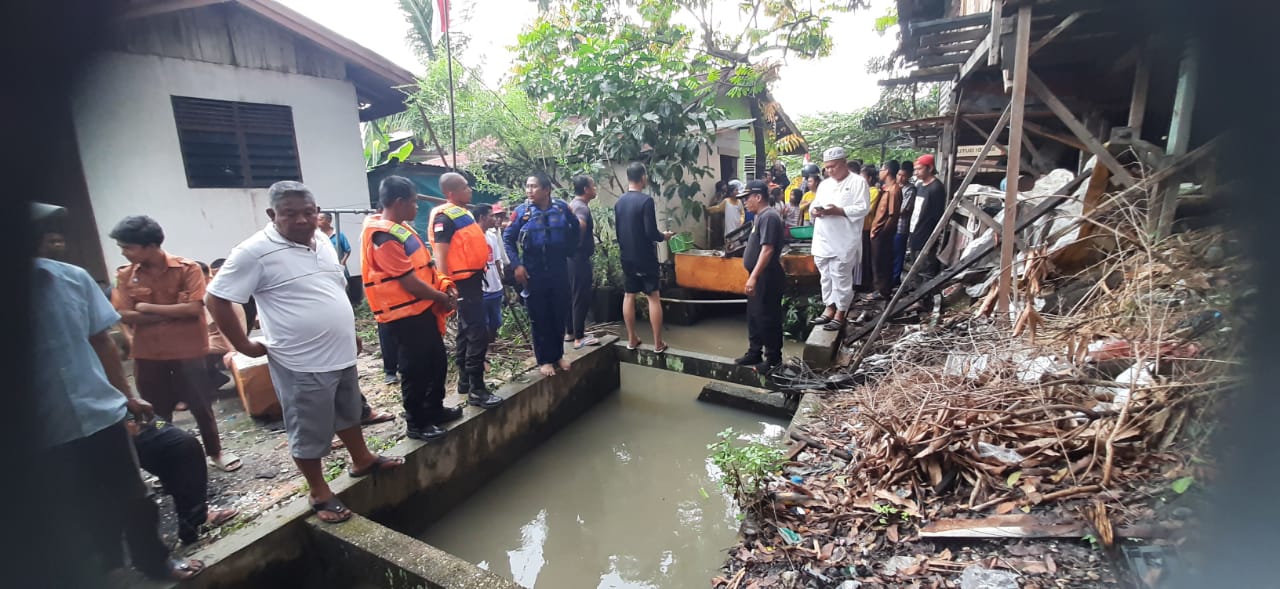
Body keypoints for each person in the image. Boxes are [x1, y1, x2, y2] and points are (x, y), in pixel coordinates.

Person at [207, 181, 405, 524]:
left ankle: (362, 460)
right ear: (272, 214)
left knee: (348, 411)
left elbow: (333, 288)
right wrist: (242, 345)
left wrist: (349, 332)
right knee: (309, 428)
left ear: (317, 212)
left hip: (340, 351)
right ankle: (318, 491)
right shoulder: (254, 251)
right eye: (290, 214)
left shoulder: (323, 241)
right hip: (300, 360)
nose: (301, 220)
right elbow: (216, 298)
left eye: (308, 212)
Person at [31, 202, 206, 583]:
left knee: (133, 494)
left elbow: (102, 341)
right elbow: (126, 314)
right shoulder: (124, 276)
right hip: (40, 429)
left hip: (98, 412)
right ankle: (101, 567)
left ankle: (153, 560)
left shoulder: (71, 280)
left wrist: (126, 395)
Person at [109, 215, 240, 473]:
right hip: (149, 354)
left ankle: (215, 452)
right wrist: (171, 312)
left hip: (188, 352)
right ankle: (169, 457)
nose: (123, 253)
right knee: (156, 412)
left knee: (201, 406)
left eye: (128, 247)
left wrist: (146, 308)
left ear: (150, 245)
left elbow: (193, 309)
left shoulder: (187, 269)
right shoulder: (125, 275)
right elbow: (123, 314)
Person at [363, 175, 475, 439]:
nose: (416, 207)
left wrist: (443, 286)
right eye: (413, 202)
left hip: (422, 309)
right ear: (399, 202)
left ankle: (434, 409)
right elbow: (409, 282)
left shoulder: (400, 228)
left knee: (436, 361)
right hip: (404, 315)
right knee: (415, 368)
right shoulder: (383, 237)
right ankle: (417, 422)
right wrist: (441, 297)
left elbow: (424, 268)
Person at [428, 173, 503, 409]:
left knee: (465, 331)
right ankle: (477, 389)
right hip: (462, 283)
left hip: (472, 280)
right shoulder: (444, 218)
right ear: (451, 193)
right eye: (465, 187)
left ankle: (465, 381)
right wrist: (446, 286)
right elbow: (440, 253)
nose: (469, 190)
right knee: (476, 333)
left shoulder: (463, 212)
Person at [504, 173, 580, 376]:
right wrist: (517, 265)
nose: (529, 190)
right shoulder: (522, 212)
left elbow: (575, 227)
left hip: (558, 270)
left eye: (534, 186)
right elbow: (508, 239)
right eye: (527, 186)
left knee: (558, 313)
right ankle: (544, 360)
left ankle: (558, 355)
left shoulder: (561, 208)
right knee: (539, 317)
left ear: (547, 190)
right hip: (533, 272)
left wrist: (570, 250)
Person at [128, 418, 239, 546]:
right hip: (117, 431)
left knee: (163, 424)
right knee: (181, 446)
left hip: (139, 420)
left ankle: (175, 486)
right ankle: (194, 519)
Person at [809, 147, 871, 332]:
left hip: (844, 239)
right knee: (825, 276)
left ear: (844, 163)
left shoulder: (858, 182)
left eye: (833, 166)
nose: (829, 170)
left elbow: (863, 208)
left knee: (841, 276)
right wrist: (815, 211)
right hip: (823, 238)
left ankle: (840, 312)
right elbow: (814, 204)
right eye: (827, 167)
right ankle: (829, 307)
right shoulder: (824, 185)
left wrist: (839, 211)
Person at [613, 162, 674, 353]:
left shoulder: (619, 202)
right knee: (653, 297)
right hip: (645, 257)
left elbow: (618, 232)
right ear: (643, 177)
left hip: (627, 256)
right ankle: (657, 343)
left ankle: (632, 339)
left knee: (629, 295)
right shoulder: (646, 201)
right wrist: (664, 236)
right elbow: (650, 232)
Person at [735, 181, 787, 371]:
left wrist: (754, 277)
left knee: (768, 317)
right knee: (754, 315)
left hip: (767, 275)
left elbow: (767, 250)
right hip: (759, 275)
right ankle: (754, 352)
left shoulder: (769, 217)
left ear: (758, 197)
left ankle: (773, 359)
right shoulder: (760, 217)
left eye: (747, 198)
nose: (744, 202)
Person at [565, 175, 600, 349]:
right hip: (578, 259)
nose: (595, 188)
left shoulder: (573, 204)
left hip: (570, 259)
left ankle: (570, 332)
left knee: (572, 295)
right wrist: (577, 246)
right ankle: (579, 337)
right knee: (581, 296)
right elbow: (580, 225)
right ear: (586, 189)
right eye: (593, 186)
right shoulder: (581, 207)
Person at [198, 260, 240, 391]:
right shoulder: (204, 293)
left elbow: (223, 326)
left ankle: (209, 382)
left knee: (185, 353)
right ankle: (214, 378)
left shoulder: (212, 295)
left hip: (227, 339)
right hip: (216, 338)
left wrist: (233, 349)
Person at [865, 160, 902, 301]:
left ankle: (883, 290)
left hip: (882, 232)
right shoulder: (887, 189)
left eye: (881, 170)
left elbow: (893, 215)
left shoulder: (894, 190)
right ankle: (879, 288)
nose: (879, 173)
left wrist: (883, 233)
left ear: (887, 171)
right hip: (878, 230)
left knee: (882, 262)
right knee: (877, 261)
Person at [908, 154, 946, 287]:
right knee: (915, 267)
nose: (916, 172)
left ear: (929, 168)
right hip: (915, 231)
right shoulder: (919, 186)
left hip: (926, 234)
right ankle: (916, 293)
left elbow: (937, 215)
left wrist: (932, 236)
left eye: (919, 169)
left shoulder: (936, 188)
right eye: (915, 169)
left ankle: (925, 295)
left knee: (926, 268)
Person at [474, 204, 509, 347]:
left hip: (495, 285)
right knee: (483, 321)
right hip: (482, 287)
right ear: (482, 217)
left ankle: (491, 344)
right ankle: (484, 348)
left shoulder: (492, 236)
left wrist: (501, 281)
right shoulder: (473, 237)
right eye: (491, 216)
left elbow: (497, 260)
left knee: (496, 321)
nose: (495, 219)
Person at [893, 160, 917, 285]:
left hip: (901, 227)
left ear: (909, 176)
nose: (900, 178)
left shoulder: (910, 190)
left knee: (898, 254)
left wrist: (889, 210)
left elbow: (903, 210)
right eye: (899, 175)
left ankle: (895, 280)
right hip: (891, 226)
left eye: (904, 176)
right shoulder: (895, 187)